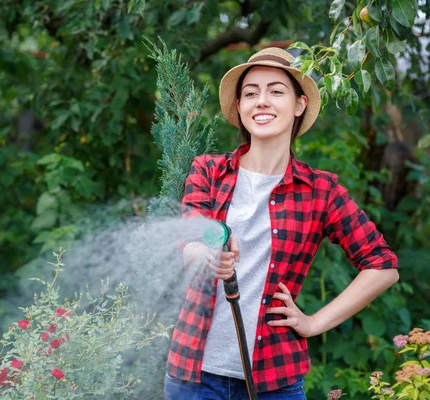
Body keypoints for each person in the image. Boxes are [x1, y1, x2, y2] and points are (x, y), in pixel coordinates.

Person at [164, 47, 399, 400]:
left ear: (299, 104)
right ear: (240, 107)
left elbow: (382, 266)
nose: (261, 101)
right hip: (195, 378)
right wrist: (208, 256)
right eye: (250, 93)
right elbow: (190, 244)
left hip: (275, 382)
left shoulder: (320, 190)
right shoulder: (208, 171)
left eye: (276, 91)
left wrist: (313, 323)